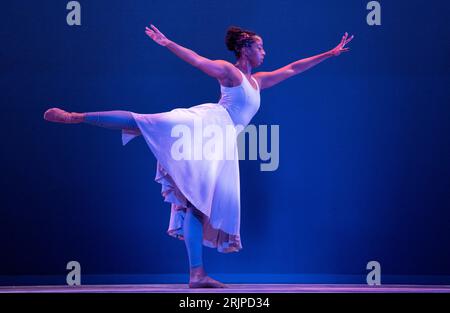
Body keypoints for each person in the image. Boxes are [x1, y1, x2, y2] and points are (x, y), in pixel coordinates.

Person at [44, 24, 353, 288]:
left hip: (222, 142)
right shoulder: (229, 71)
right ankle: (77, 116)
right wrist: (168, 44)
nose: (265, 53)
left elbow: (294, 68)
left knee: (197, 202)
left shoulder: (257, 82)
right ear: (245, 48)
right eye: (261, 47)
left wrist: (330, 53)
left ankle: (197, 275)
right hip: (208, 125)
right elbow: (197, 60)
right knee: (151, 121)